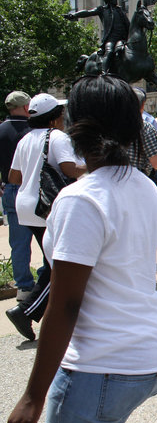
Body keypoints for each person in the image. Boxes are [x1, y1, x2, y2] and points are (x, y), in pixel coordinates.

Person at [5, 74, 157, 423]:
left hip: (102, 368)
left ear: (74, 126)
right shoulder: (145, 187)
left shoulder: (81, 199)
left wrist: (33, 395)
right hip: (153, 357)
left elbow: (65, 305)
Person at [5, 94, 86, 341]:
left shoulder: (25, 139)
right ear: (54, 117)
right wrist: (96, 164)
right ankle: (25, 310)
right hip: (47, 208)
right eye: (60, 114)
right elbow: (68, 168)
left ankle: (30, 309)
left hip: (25, 206)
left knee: (52, 263)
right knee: (59, 265)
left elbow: (14, 177)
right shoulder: (58, 137)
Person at [0, 91, 36, 300]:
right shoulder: (34, 131)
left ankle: (23, 287)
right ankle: (47, 278)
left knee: (19, 243)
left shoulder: (1, 130)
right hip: (33, 188)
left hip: (10, 188)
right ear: (26, 108)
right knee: (47, 237)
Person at [64, 0, 130, 74]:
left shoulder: (120, 11)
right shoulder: (102, 10)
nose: (115, 0)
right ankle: (104, 72)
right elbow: (88, 12)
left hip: (122, 40)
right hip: (110, 40)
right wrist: (74, 15)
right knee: (109, 52)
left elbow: (128, 25)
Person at [131, 88, 157, 177]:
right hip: (136, 179)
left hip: (110, 181)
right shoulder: (145, 127)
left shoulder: (109, 125)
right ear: (142, 105)